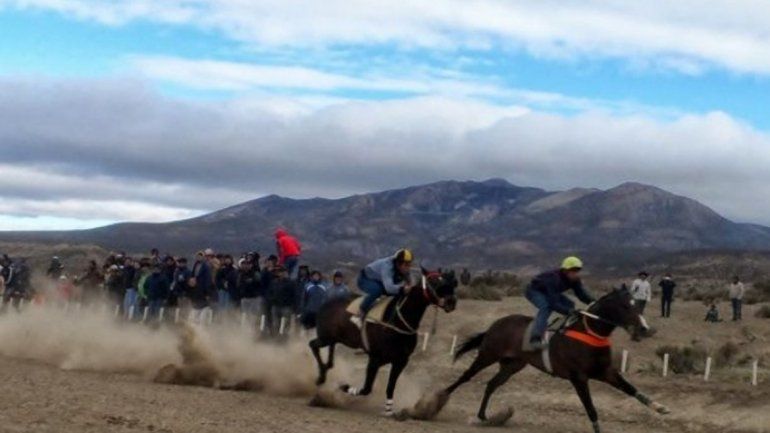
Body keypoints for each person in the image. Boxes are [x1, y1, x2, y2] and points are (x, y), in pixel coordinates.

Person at [524, 256, 596, 350]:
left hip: (550, 292)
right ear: (565, 271)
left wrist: (595, 302)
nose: (575, 274)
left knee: (570, 304)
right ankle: (535, 339)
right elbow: (553, 303)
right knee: (546, 307)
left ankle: (564, 330)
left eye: (577, 271)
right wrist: (568, 311)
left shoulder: (575, 280)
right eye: (573, 271)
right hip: (534, 291)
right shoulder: (553, 279)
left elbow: (581, 295)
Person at [353, 249, 414, 328]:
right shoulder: (388, 267)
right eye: (406, 265)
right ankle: (360, 313)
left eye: (409, 265)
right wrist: (403, 289)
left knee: (398, 293)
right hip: (365, 279)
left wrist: (409, 288)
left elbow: (410, 283)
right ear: (398, 264)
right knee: (377, 290)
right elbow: (389, 288)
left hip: (379, 281)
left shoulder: (403, 268)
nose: (408, 268)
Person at [266, 265, 297, 336]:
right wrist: (271, 301)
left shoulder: (291, 283)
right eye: (279, 272)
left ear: (286, 272)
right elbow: (270, 293)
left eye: (282, 272)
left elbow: (294, 295)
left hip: (286, 306)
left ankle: (284, 339)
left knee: (286, 324)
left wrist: (294, 307)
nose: (281, 273)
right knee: (275, 324)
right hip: (275, 306)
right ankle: (275, 338)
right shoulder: (274, 282)